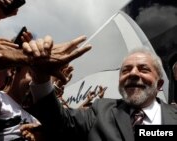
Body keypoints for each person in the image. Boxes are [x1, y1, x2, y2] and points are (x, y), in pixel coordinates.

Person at [26, 46, 177, 141]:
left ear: (160, 84)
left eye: (144, 69)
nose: (133, 74)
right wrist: (41, 78)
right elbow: (58, 120)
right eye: (125, 70)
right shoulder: (100, 110)